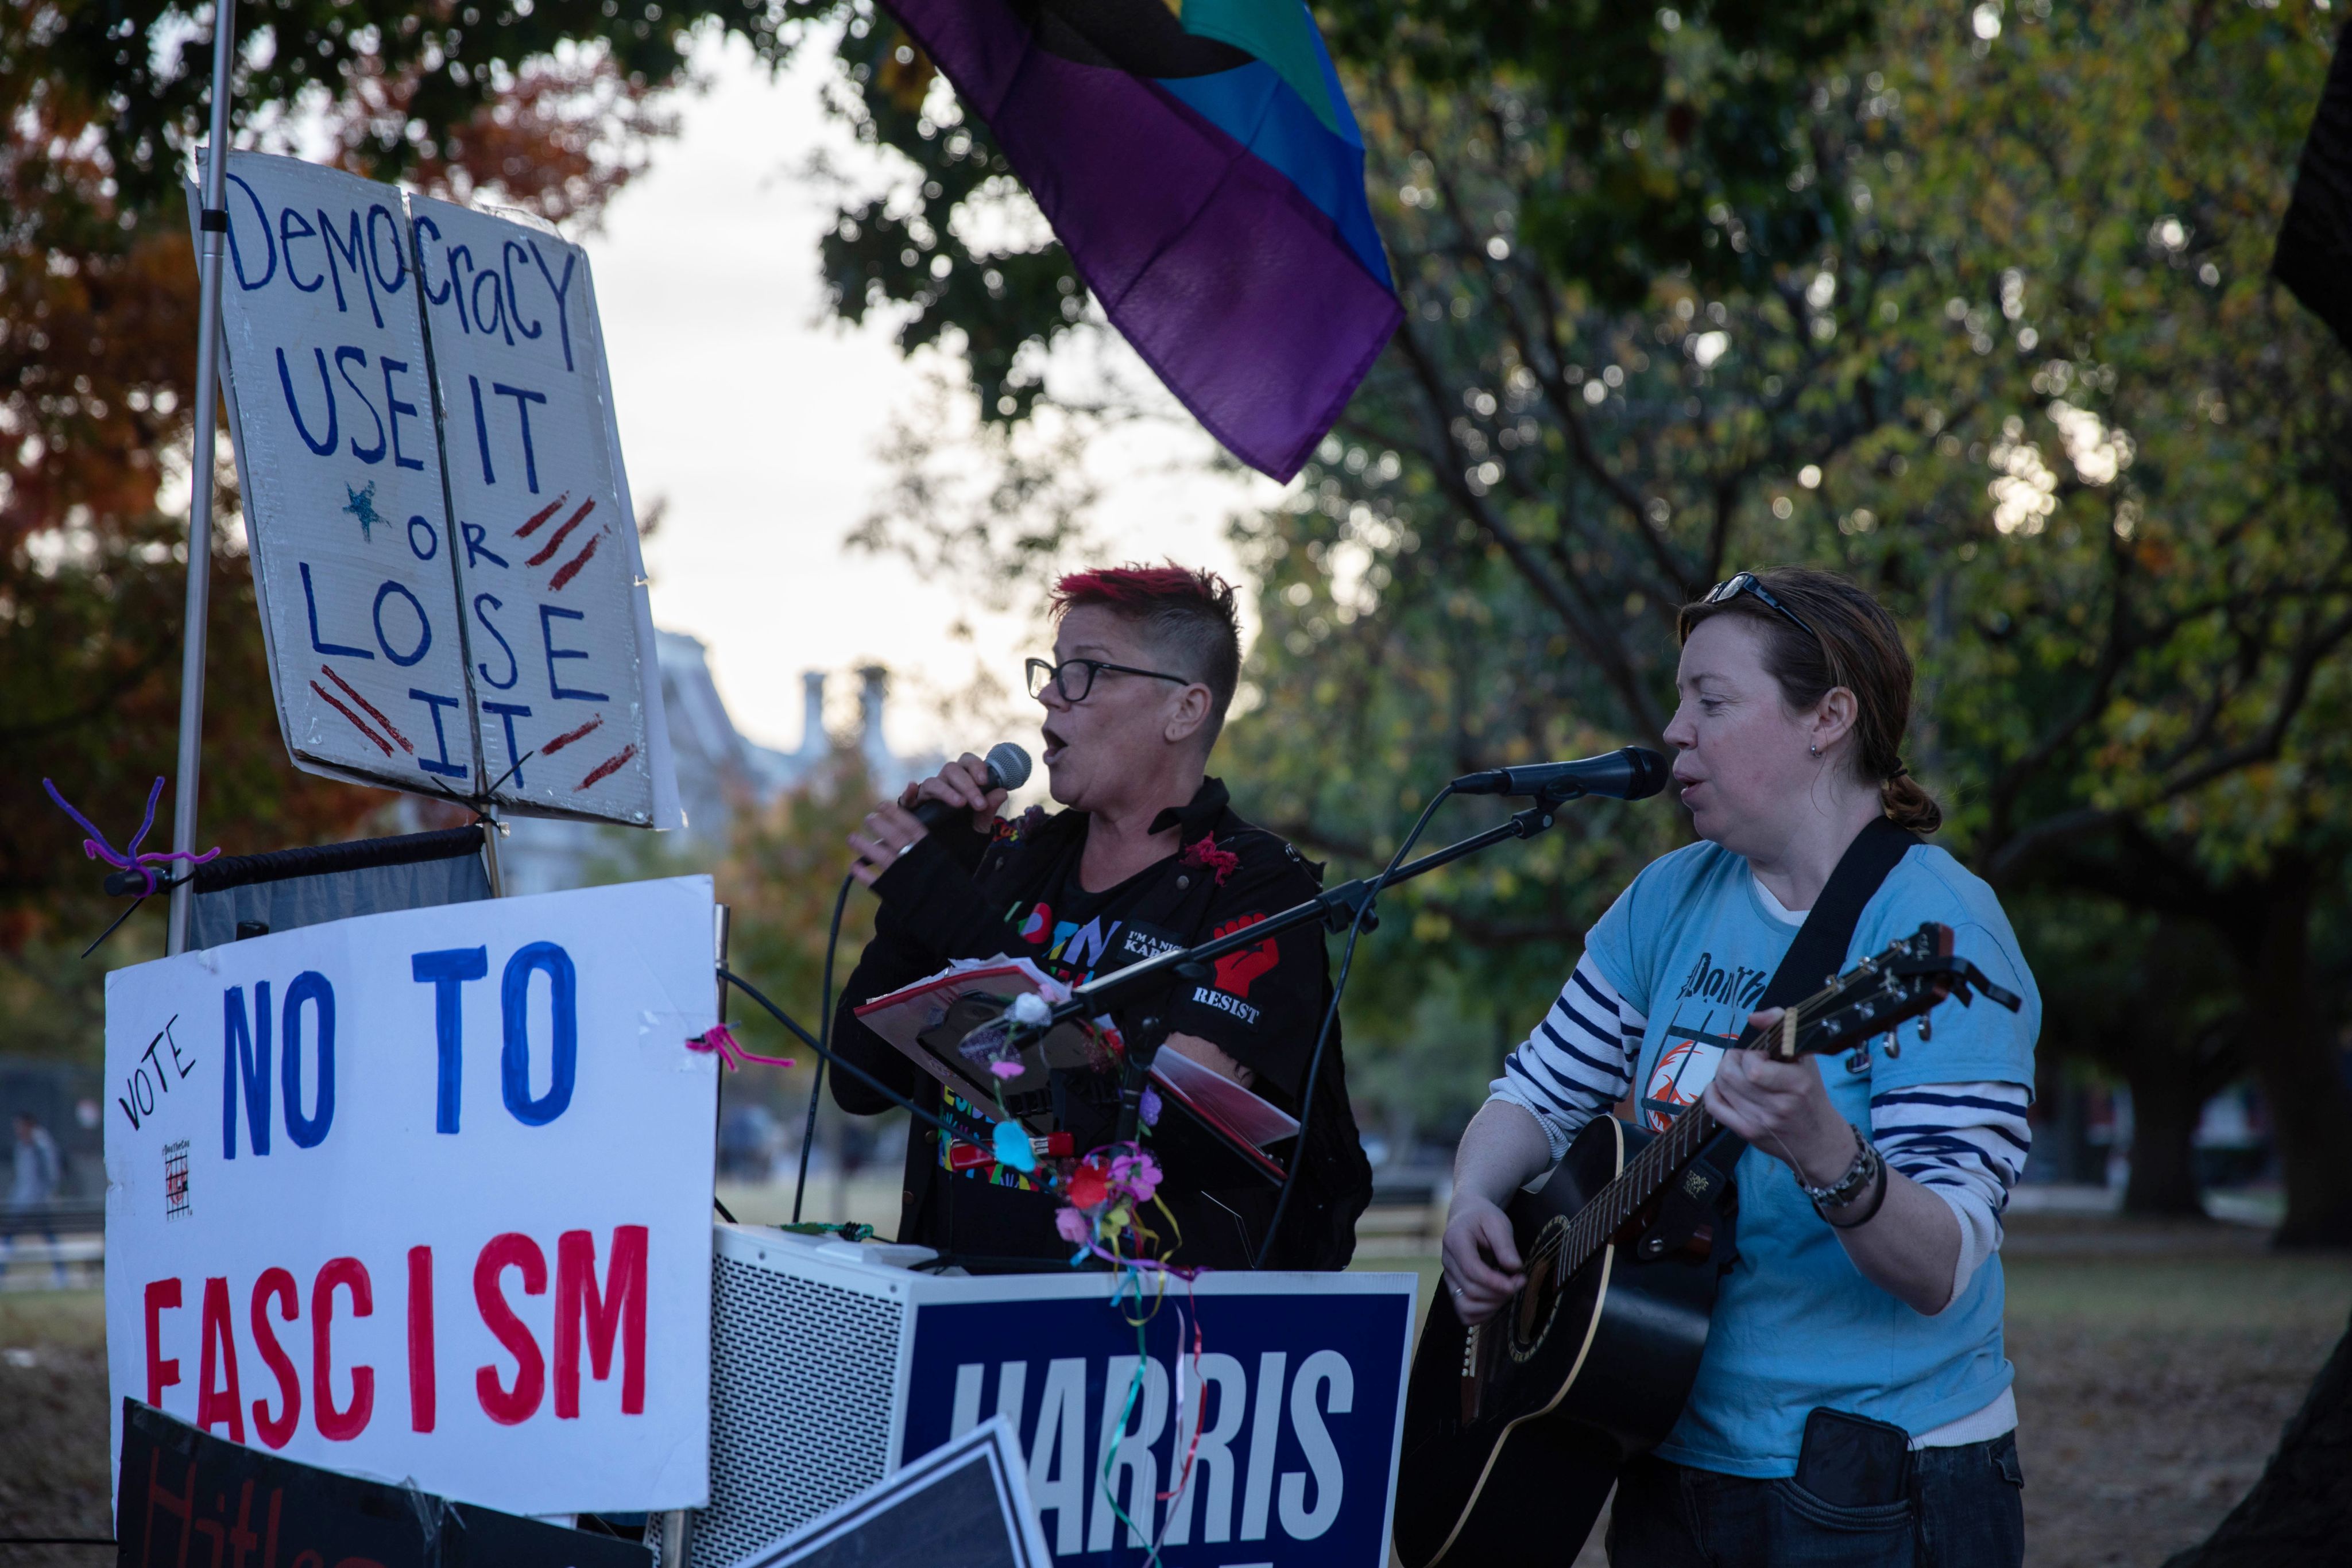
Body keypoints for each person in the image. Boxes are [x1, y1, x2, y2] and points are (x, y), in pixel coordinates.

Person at [1442, 567, 2039, 1566]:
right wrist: (1473, 1199)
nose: (1675, 729)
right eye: (1680, 698)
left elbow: (1938, 1265)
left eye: (1711, 701)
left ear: (1828, 719)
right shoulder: (1666, 896)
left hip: (1872, 1482)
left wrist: (1827, 1153)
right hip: (1657, 1445)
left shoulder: (1940, 930)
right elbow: (1536, 1094)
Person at [830, 564, 1372, 1270]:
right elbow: (857, 1080)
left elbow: (1150, 1130)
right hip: (956, 1314)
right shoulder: (1017, 861)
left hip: (1128, 1338)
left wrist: (946, 907)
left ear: (1184, 710)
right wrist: (927, 890)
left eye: (1086, 672)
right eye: (1051, 672)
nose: (1052, 696)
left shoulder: (1257, 889)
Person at [3, 1112, 65, 1286]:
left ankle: (61, 1273)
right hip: (22, 1202)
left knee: (49, 1237)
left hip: (39, 1203)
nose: (18, 1130)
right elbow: (21, 1178)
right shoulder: (21, 1148)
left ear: (30, 1125)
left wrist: (48, 1194)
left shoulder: (41, 1147)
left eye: (21, 1126)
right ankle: (2, 1272)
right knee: (9, 1237)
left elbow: (51, 1174)